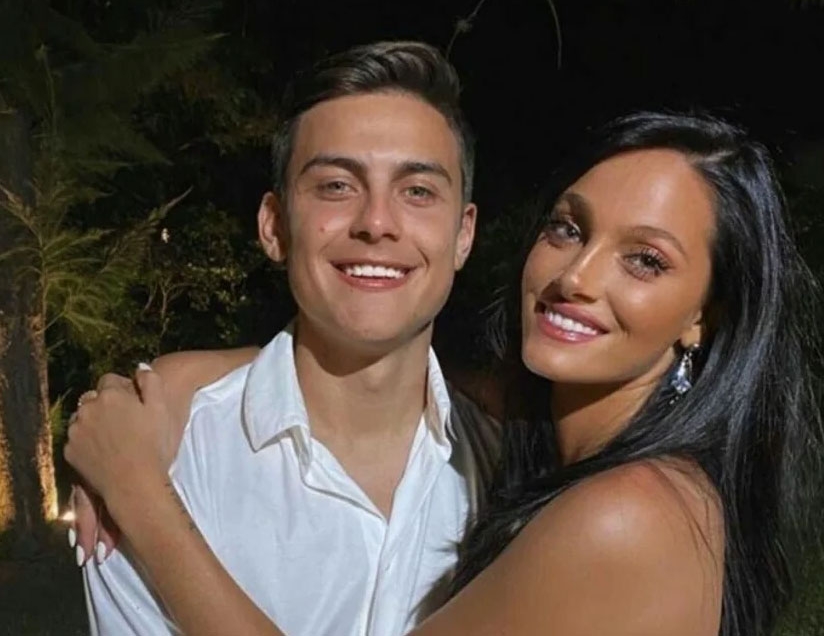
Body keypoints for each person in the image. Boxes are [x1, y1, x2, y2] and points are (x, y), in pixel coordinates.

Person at [67, 110, 824, 635]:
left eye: (646, 260)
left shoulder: (626, 514)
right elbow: (396, 365)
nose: (577, 277)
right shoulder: (549, 442)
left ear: (704, 317)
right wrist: (185, 379)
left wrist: (140, 493)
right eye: (569, 228)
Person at [65, 40, 502, 636]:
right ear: (274, 227)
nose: (377, 222)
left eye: (418, 191)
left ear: (463, 235)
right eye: (336, 186)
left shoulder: (510, 474)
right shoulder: (170, 452)